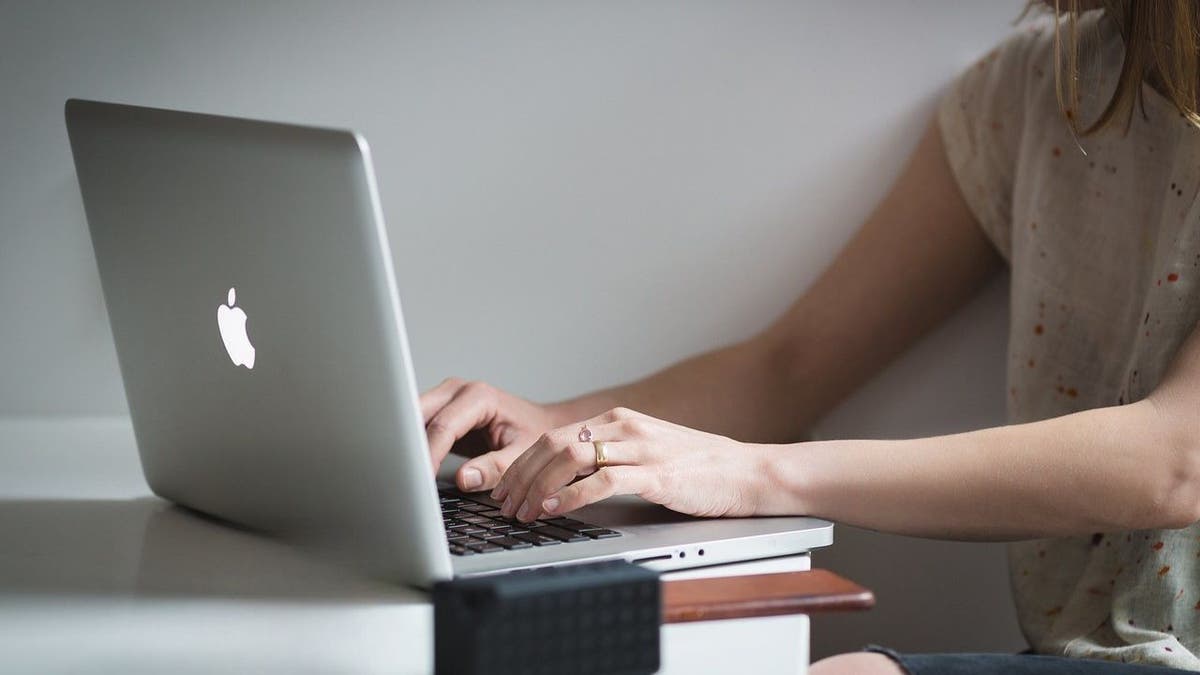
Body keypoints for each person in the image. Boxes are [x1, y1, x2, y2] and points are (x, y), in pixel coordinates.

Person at [419, 2, 1200, 673]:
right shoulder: (1027, 90)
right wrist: (556, 427)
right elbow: (790, 367)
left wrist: (759, 475)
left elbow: (1176, 461)